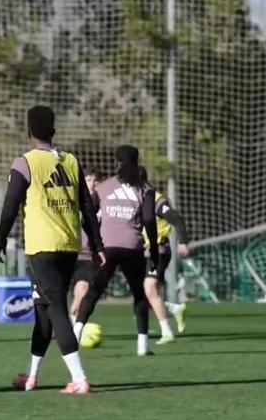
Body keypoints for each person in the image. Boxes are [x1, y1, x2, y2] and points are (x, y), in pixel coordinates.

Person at [0, 105, 104, 395]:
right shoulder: (71, 161)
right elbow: (87, 206)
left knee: (55, 307)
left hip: (42, 247)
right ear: (53, 130)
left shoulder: (25, 162)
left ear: (29, 131)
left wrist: (0, 239)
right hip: (69, 245)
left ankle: (79, 379)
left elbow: (9, 207)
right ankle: (31, 376)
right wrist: (96, 244)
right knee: (43, 310)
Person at [73, 145, 159, 357]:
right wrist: (154, 249)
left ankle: (74, 336)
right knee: (139, 296)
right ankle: (142, 346)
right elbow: (149, 219)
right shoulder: (146, 189)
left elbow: (87, 216)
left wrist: (95, 243)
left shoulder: (104, 187)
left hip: (107, 248)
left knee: (93, 292)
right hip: (133, 248)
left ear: (116, 162)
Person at [139, 166, 190, 342]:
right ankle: (174, 309)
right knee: (143, 296)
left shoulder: (156, 200)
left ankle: (166, 332)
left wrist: (183, 241)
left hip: (158, 251)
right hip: (141, 253)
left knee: (149, 288)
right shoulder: (135, 200)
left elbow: (177, 218)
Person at [69, 167, 102, 321]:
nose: (92, 184)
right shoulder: (72, 201)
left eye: (95, 180)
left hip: (88, 255)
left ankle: (73, 321)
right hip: (68, 253)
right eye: (88, 180)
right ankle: (66, 322)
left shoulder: (105, 205)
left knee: (82, 289)